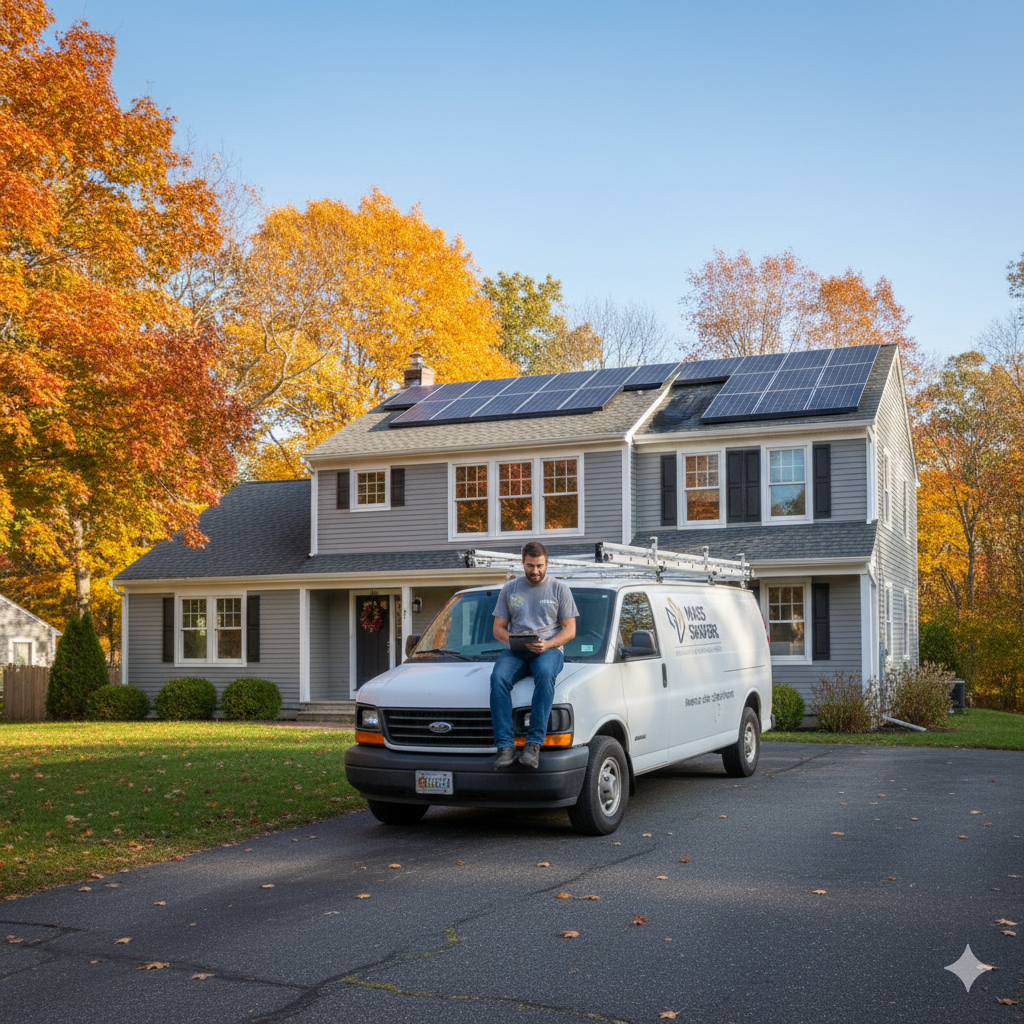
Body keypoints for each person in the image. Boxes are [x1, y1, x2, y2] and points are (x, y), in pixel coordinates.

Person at [490, 542, 578, 770]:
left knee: (546, 674)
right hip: (516, 651)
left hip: (548, 650)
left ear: (547, 564)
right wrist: (514, 641)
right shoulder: (509, 589)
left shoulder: (560, 589)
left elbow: (570, 630)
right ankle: (505, 747)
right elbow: (498, 628)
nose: (535, 571)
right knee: (498, 678)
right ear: (523, 563)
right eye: (530, 566)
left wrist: (548, 644)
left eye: (539, 566)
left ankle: (533, 746)